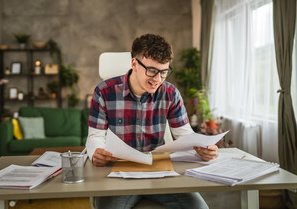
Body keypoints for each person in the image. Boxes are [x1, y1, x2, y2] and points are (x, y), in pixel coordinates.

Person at [86, 33, 218, 209]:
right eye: (152, 71)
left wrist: (201, 148)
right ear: (134, 64)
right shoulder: (104, 91)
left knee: (200, 208)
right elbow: (95, 136)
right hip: (120, 174)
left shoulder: (170, 93)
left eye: (164, 72)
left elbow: (184, 135)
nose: (158, 79)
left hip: (160, 171)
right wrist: (96, 151)